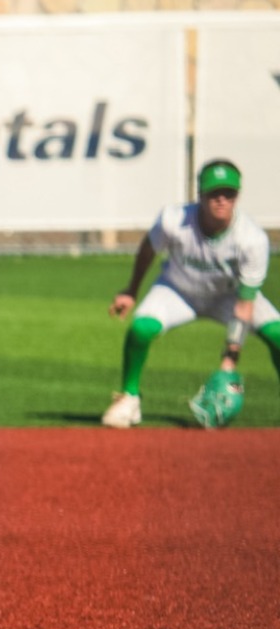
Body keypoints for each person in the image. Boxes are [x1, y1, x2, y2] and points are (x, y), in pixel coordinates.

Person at [103, 158, 279, 429]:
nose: (221, 200)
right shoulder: (174, 220)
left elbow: (245, 305)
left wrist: (228, 363)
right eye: (214, 193)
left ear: (237, 196)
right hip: (178, 289)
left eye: (228, 193)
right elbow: (149, 249)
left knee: (277, 334)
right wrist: (131, 290)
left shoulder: (252, 239)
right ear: (200, 194)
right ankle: (129, 399)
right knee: (140, 328)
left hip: (228, 297)